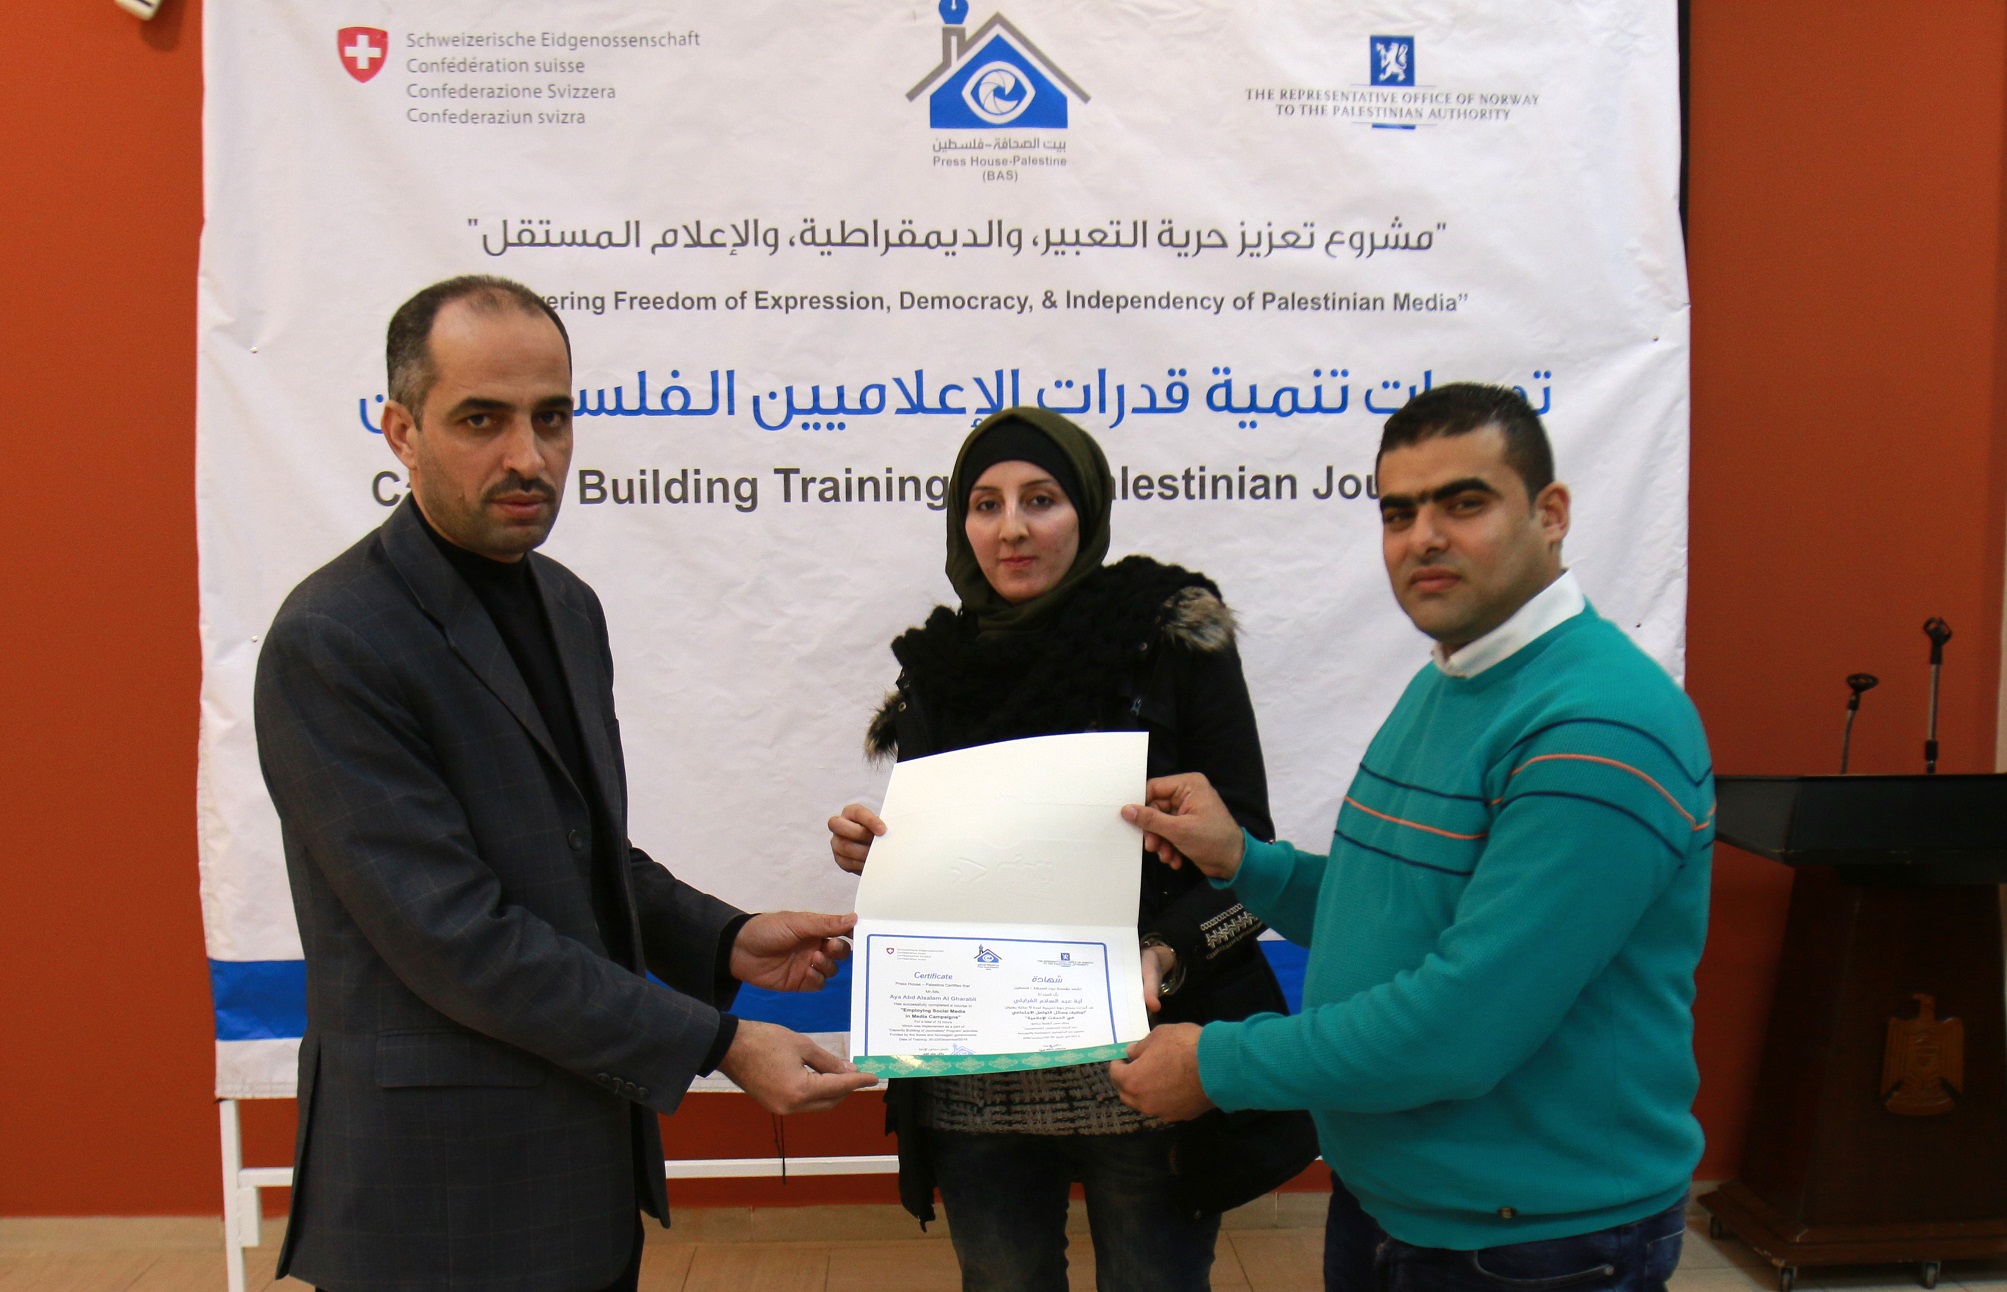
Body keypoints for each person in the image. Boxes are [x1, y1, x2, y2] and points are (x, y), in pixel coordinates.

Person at [254, 274, 878, 1292]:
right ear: (401, 430)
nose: (528, 456)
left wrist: (722, 938)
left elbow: (576, 851)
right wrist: (718, 1041)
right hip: (430, 1199)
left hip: (577, 1169)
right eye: (482, 420)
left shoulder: (566, 604)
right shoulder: (333, 639)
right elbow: (457, 936)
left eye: (551, 417)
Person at [1112, 383, 1713, 1292]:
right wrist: (1239, 860)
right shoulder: (1453, 678)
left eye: (1462, 503)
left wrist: (1218, 1065)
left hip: (1531, 1241)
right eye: (1398, 512)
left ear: (1550, 514)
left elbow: (1458, 1028)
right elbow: (1389, 911)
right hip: (1397, 1200)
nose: (1422, 537)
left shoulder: (1596, 727)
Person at [825, 407, 1288, 1292]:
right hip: (974, 1072)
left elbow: (1250, 857)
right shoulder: (936, 670)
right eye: (985, 504)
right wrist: (877, 852)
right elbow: (944, 869)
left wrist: (1167, 955)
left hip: (1142, 1057)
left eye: (1039, 499)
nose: (1011, 528)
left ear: (1086, 509)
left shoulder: (1170, 643)